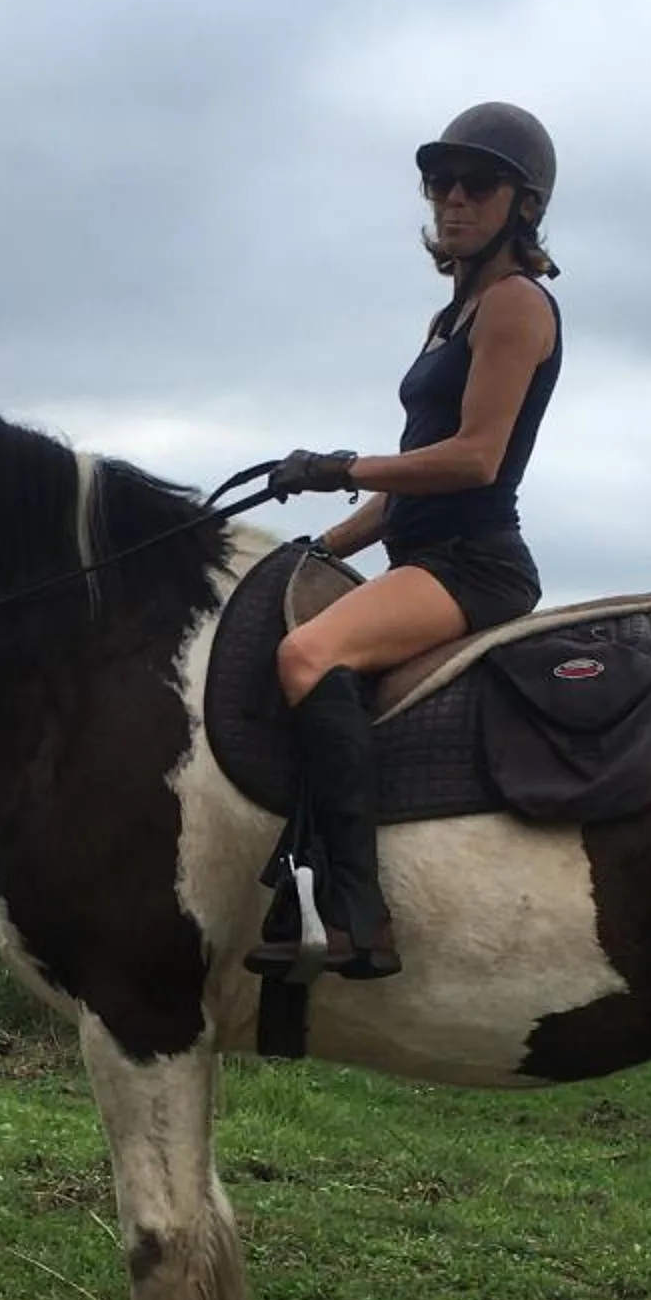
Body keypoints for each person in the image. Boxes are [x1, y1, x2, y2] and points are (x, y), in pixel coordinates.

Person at [250, 101, 563, 982]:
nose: (453, 200)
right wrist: (322, 545)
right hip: (419, 554)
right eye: (439, 182)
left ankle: (355, 911)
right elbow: (407, 483)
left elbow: (472, 460)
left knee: (308, 657)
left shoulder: (515, 306)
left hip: (475, 564)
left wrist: (342, 464)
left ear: (523, 203)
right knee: (294, 611)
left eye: (478, 183)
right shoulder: (446, 321)